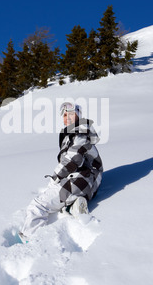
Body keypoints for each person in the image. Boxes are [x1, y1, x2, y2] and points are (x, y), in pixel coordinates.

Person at [18, 101, 103, 243]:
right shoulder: (75, 133)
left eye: (71, 114)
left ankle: (30, 240)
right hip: (87, 183)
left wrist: (55, 177)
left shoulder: (80, 133)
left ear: (78, 115)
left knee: (38, 205)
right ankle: (74, 206)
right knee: (60, 196)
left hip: (81, 179)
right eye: (64, 115)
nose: (67, 117)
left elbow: (73, 159)